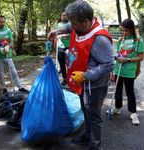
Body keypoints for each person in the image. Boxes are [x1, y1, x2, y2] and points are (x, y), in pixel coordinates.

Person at [47, 1, 114, 150]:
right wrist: (58, 31)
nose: (72, 26)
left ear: (86, 21)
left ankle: (95, 145)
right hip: (81, 83)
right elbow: (70, 27)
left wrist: (86, 75)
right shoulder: (79, 27)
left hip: (94, 85)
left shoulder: (100, 39)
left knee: (94, 116)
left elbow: (109, 65)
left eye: (74, 23)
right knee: (85, 110)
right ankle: (87, 135)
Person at [106, 18, 144, 125]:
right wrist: (116, 58)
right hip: (118, 70)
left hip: (129, 71)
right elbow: (119, 54)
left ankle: (133, 113)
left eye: (126, 31)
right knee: (118, 91)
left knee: (130, 92)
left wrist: (127, 60)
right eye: (122, 30)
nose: (124, 33)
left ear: (132, 29)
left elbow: (141, 57)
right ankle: (117, 108)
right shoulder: (121, 40)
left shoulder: (138, 41)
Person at [0, 15, 28, 94]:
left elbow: (12, 42)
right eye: (0, 22)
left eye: (3, 22)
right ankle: (4, 88)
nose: (2, 23)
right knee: (0, 74)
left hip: (8, 55)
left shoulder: (8, 30)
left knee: (14, 72)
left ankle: (20, 87)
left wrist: (8, 47)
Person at [56, 11, 70, 86]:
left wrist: (63, 36)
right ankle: (65, 79)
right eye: (63, 15)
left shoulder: (70, 24)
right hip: (61, 46)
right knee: (61, 63)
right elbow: (57, 34)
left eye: (65, 15)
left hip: (70, 46)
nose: (64, 17)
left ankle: (71, 78)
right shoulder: (59, 25)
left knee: (70, 63)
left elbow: (72, 34)